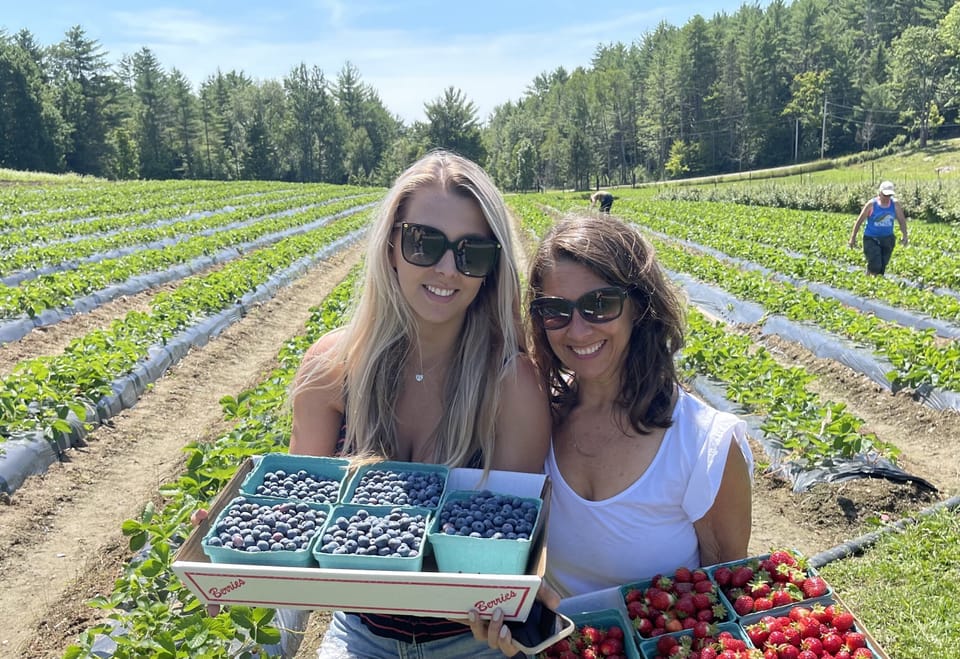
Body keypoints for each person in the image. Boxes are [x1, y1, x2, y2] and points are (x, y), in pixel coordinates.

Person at [289, 150, 550, 658]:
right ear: (390, 246)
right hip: (361, 635)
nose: (447, 269)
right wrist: (239, 557)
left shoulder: (511, 384)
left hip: (471, 644)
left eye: (471, 252)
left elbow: (509, 550)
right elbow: (301, 511)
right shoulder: (331, 370)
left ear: (490, 270)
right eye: (423, 243)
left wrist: (501, 606)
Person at [470, 213, 753, 656]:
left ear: (639, 305)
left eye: (599, 304)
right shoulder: (538, 422)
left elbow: (727, 604)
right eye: (555, 311)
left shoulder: (705, 446)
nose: (578, 329)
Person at [848, 180, 908, 276]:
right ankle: (870, 280)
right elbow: (859, 221)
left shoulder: (895, 204)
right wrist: (853, 237)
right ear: (880, 193)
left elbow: (901, 220)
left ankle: (872, 282)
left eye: (889, 195)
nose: (887, 198)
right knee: (875, 265)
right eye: (885, 195)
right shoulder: (871, 204)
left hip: (888, 239)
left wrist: (905, 235)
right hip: (871, 238)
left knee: (882, 268)